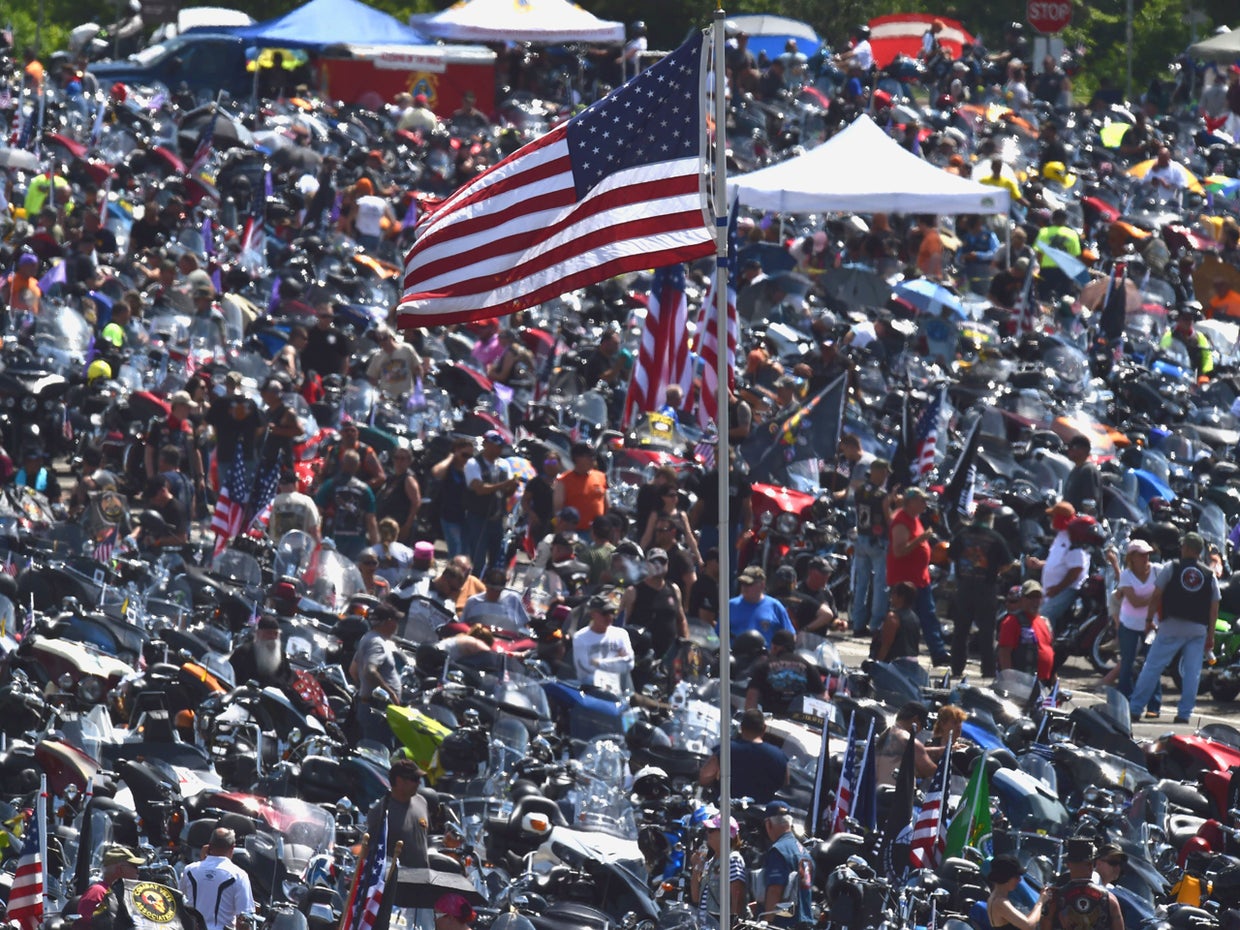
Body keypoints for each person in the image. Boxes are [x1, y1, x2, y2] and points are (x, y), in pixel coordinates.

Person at [1128, 532, 1219, 725]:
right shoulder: (1209, 575)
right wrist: (1211, 635)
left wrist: (1148, 620)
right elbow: (1214, 607)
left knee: (1152, 666)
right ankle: (1184, 714)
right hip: (1198, 628)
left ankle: (1135, 708)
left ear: (1186, 548)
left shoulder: (1172, 567)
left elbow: (1156, 595)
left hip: (1172, 625)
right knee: (1192, 672)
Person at [948, 501, 1014, 677]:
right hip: (987, 588)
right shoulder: (995, 538)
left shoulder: (962, 535)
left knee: (961, 631)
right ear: (989, 518)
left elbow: (952, 556)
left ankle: (956, 668)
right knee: (986, 632)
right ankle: (988, 670)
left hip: (964, 588)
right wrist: (995, 571)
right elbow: (1008, 563)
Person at [888, 488, 949, 664]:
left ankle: (938, 653)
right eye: (921, 501)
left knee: (928, 617)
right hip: (906, 582)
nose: (924, 504)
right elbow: (899, 551)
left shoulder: (915, 519)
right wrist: (921, 539)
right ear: (911, 502)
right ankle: (903, 655)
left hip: (920, 579)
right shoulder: (901, 521)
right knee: (907, 621)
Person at [1112, 539, 1162, 716]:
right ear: (1132, 557)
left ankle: (1154, 706)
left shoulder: (1158, 570)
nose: (1145, 557)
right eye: (1141, 554)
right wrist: (1156, 597)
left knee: (1152, 664)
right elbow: (1135, 601)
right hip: (1129, 625)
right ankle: (1124, 703)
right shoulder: (1126, 575)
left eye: (1147, 553)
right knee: (1127, 664)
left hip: (1152, 626)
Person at [699, 708, 788, 803]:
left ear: (741, 727)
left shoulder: (726, 748)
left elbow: (704, 778)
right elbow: (785, 785)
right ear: (764, 728)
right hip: (760, 814)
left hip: (726, 810)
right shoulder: (779, 755)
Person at [1026, 501, 1087, 631]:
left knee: (1044, 616)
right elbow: (1059, 562)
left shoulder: (1073, 539)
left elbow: (1076, 569)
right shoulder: (1061, 535)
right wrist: (1040, 564)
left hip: (1067, 589)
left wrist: (1057, 589)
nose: (1050, 519)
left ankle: (1044, 649)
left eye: (1053, 516)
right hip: (1052, 590)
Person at [464, 431, 519, 574]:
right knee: (478, 558)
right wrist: (504, 484)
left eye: (500, 446)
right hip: (478, 518)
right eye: (495, 446)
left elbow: (507, 493)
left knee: (496, 559)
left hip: (497, 519)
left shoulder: (503, 464)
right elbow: (479, 489)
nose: (498, 449)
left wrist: (512, 486)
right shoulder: (473, 463)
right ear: (486, 444)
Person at [1040, 837, 1124, 930]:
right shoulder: (1110, 899)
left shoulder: (1055, 898)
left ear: (1068, 864)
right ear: (1092, 865)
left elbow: (1045, 926)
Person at [179, 828, 255, 930]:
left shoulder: (190, 870)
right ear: (233, 847)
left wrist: (203, 860)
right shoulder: (239, 876)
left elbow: (179, 898)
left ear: (209, 846)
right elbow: (244, 919)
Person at [851, 459, 894, 635]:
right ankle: (875, 624)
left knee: (861, 584)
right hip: (878, 541)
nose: (885, 477)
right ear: (878, 472)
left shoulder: (860, 490)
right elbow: (888, 519)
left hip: (861, 538)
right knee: (880, 584)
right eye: (884, 473)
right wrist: (893, 504)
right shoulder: (882, 495)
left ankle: (857, 623)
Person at [619, 547, 687, 658]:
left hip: (668, 658)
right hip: (641, 658)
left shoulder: (674, 589)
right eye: (654, 561)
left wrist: (685, 646)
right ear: (646, 564)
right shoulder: (633, 591)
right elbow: (621, 625)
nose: (658, 565)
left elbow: (681, 620)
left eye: (662, 561)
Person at [350, 604, 401, 743]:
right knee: (377, 753)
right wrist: (391, 694)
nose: (397, 625)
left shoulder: (369, 638)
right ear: (388, 621)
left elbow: (353, 670)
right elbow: (370, 671)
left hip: (369, 706)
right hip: (377, 711)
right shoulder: (377, 643)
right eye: (396, 620)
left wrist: (365, 690)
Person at [365, 757, 430, 867]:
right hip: (399, 880)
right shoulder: (381, 813)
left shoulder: (422, 802)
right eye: (414, 779)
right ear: (399, 781)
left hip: (424, 877)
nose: (419, 783)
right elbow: (371, 853)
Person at [745, 628, 825, 714]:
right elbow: (822, 697)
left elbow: (751, 696)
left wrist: (752, 720)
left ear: (775, 647)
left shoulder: (764, 666)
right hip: (799, 722)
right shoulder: (809, 667)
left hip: (771, 720)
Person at [689, 814, 748, 930]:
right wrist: (696, 868)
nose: (707, 833)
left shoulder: (732, 859)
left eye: (711, 830)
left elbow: (737, 895)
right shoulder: (711, 861)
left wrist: (732, 925)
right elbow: (696, 898)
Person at [762, 801, 814, 927]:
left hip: (784, 924)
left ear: (768, 824)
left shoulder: (778, 851)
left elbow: (775, 890)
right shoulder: (805, 852)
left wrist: (766, 922)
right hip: (805, 922)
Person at [572, 589, 634, 687]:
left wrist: (598, 663)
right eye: (605, 613)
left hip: (619, 691)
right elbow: (585, 670)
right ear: (593, 614)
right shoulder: (580, 638)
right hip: (592, 689)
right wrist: (618, 660)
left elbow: (629, 663)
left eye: (612, 612)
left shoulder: (621, 634)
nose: (609, 617)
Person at [997, 580, 1056, 683]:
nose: (1035, 601)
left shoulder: (1044, 622)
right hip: (1021, 683)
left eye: (1037, 597)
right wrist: (1009, 680)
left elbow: (1049, 652)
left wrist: (1055, 681)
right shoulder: (1012, 621)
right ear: (1022, 599)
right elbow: (1004, 652)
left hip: (1042, 684)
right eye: (1030, 597)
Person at [874, 701, 938, 786]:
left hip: (874, 793)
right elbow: (928, 770)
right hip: (894, 796)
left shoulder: (886, 735)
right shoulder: (907, 740)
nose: (920, 731)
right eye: (922, 725)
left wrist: (942, 749)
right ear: (915, 720)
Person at [730, 566, 796, 647]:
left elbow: (790, 635)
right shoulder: (731, 606)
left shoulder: (775, 606)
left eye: (749, 584)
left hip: (765, 657)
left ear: (762, 584)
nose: (744, 587)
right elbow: (718, 635)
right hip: (737, 657)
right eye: (743, 583)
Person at [79, 846, 144, 927]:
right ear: (120, 869)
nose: (138, 871)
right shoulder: (98, 892)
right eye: (134, 866)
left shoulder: (126, 894)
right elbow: (84, 925)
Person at [432, 436, 474, 558]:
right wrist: (451, 457)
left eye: (469, 456)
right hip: (450, 516)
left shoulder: (470, 469)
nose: (466, 459)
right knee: (455, 549)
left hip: (467, 517)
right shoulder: (449, 469)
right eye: (464, 455)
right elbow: (436, 473)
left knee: (466, 552)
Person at [554, 442, 608, 529]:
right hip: (574, 533)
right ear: (577, 458)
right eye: (589, 456)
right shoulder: (563, 480)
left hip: (597, 533)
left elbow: (606, 505)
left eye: (593, 456)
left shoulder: (601, 476)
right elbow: (558, 510)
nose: (592, 459)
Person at [987, 854, 1048, 930]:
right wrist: (1040, 902)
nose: (1019, 880)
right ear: (1006, 877)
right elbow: (1028, 925)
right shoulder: (1000, 902)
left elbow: (1023, 921)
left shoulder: (995, 898)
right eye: (1016, 877)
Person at [460, 566, 530, 632]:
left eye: (498, 590)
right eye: (492, 589)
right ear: (486, 586)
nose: (494, 593)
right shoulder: (473, 601)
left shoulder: (513, 599)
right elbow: (462, 625)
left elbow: (525, 625)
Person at [229, 614, 290, 688]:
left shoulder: (282, 657)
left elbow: (286, 681)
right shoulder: (242, 653)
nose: (272, 638)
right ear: (258, 634)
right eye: (268, 634)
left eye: (275, 634)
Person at [873, 581, 921, 663]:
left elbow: (885, 646)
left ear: (901, 597)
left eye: (893, 593)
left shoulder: (893, 618)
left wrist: (876, 667)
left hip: (894, 665)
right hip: (913, 664)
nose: (891, 597)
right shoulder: (915, 618)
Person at [1160, 305, 1214, 377]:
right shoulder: (1169, 336)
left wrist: (1205, 375)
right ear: (1178, 320)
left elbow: (1207, 357)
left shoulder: (1200, 337)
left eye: (1190, 319)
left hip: (1195, 378)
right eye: (1185, 319)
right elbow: (1162, 355)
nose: (1188, 322)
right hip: (1174, 374)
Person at [1063, 435, 1103, 514]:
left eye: (1072, 447)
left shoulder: (1088, 470)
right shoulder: (1076, 469)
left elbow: (1090, 502)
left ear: (1084, 450)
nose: (1069, 450)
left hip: (1082, 523)